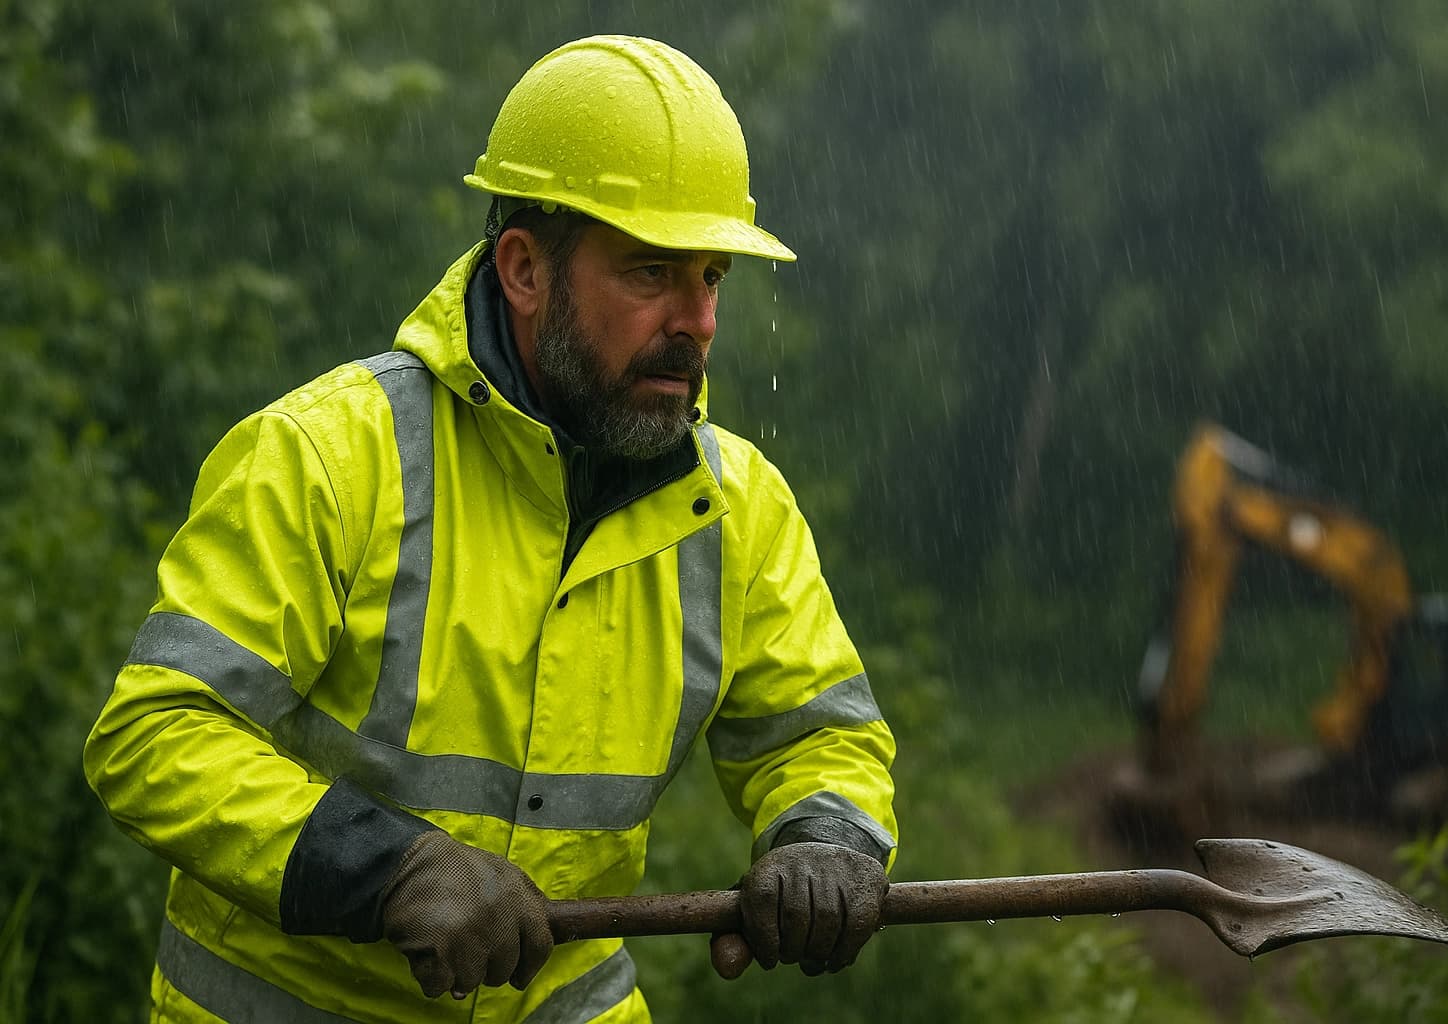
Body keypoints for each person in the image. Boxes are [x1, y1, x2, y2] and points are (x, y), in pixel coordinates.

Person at [82, 33, 898, 1024]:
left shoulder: (739, 509)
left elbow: (819, 736)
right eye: (652, 273)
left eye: (712, 278)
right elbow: (155, 731)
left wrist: (827, 838)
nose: (698, 322)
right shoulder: (332, 455)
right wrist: (389, 868)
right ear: (523, 269)